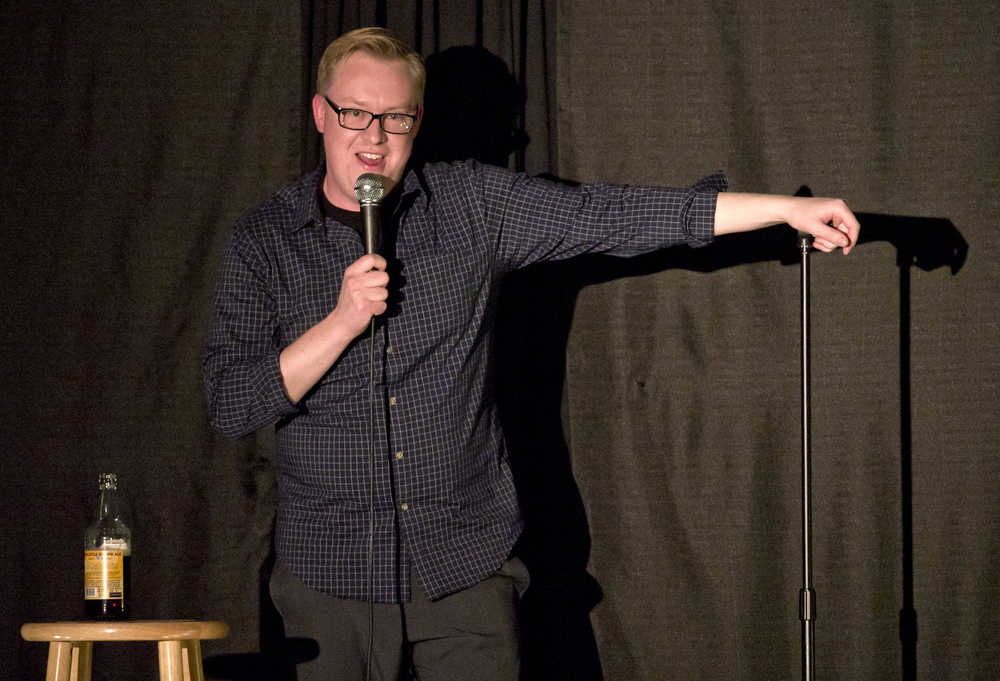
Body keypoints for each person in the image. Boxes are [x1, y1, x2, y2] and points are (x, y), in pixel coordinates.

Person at [204, 26, 859, 681]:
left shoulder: (469, 205)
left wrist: (785, 212)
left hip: (463, 562)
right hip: (330, 573)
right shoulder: (265, 242)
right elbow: (233, 402)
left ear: (417, 122)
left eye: (395, 118)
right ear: (321, 114)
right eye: (355, 114)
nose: (374, 138)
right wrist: (342, 321)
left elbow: (611, 216)